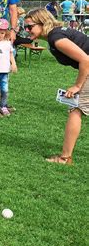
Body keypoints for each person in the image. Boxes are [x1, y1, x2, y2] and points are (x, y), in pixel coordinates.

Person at [24, 8, 89, 165]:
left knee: (76, 108)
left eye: (30, 26)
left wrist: (77, 86)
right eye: (25, 27)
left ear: (42, 23)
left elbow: (86, 60)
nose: (26, 30)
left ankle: (65, 158)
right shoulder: (56, 35)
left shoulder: (56, 37)